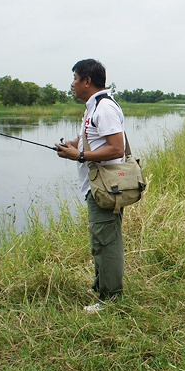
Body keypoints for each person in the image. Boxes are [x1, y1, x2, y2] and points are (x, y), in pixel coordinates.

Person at [55, 58, 127, 313]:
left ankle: (110, 300)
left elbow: (116, 147)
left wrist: (80, 156)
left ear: (87, 80)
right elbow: (92, 139)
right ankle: (102, 288)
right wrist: (73, 145)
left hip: (104, 187)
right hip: (96, 187)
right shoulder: (94, 107)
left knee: (106, 243)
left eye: (75, 78)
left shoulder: (103, 108)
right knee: (102, 240)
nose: (72, 84)